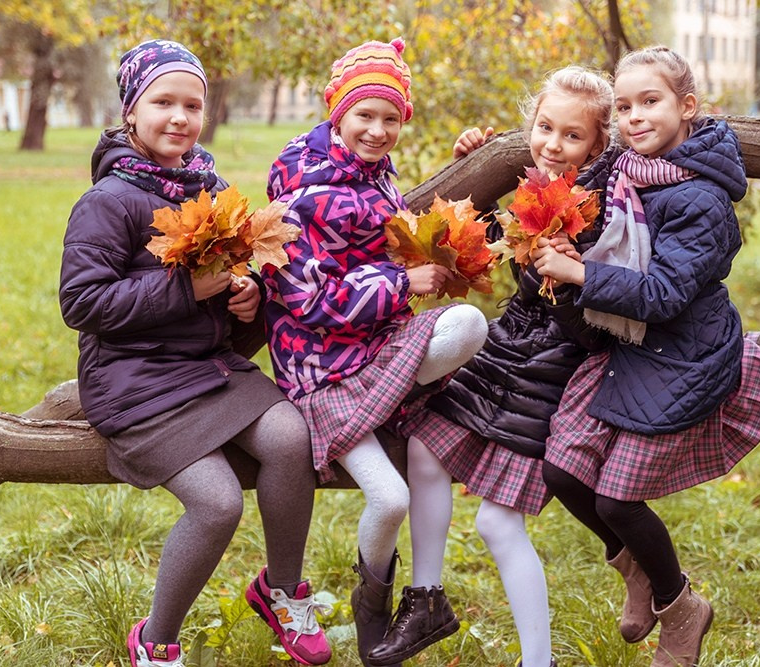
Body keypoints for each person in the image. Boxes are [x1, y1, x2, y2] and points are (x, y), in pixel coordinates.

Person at [58, 39, 330, 667]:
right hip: (134, 382)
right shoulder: (110, 201)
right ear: (131, 110)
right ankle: (155, 641)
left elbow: (239, 266)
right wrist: (187, 288)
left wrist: (246, 294)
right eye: (162, 102)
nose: (178, 117)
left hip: (208, 369)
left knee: (291, 436)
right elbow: (84, 303)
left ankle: (282, 589)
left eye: (192, 104)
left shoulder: (210, 187)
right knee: (217, 502)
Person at [533, 46, 760, 667]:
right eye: (623, 107)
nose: (634, 117)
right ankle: (641, 573)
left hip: (683, 354)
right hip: (630, 346)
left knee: (617, 499)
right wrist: (475, 152)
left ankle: (681, 608)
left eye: (651, 102)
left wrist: (579, 269)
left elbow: (667, 293)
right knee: (562, 472)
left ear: (686, 107)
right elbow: (562, 146)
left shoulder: (699, 199)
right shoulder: (629, 169)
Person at [376, 66, 616, 667]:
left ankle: (540, 661)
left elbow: (591, 322)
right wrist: (478, 169)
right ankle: (426, 598)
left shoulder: (603, 211)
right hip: (511, 347)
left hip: (554, 368)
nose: (553, 145)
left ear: (598, 146)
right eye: (544, 128)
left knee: (497, 524)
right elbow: (484, 247)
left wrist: (561, 270)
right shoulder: (535, 187)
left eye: (572, 137)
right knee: (428, 450)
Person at [259, 38, 488, 667]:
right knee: (389, 500)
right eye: (365, 114)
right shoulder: (300, 187)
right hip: (322, 372)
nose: (379, 129)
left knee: (468, 324)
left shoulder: (375, 178)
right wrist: (399, 285)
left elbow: (395, 229)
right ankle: (372, 607)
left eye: (391, 117)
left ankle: (373, 620)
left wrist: (469, 161)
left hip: (376, 351)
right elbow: (306, 298)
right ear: (337, 112)